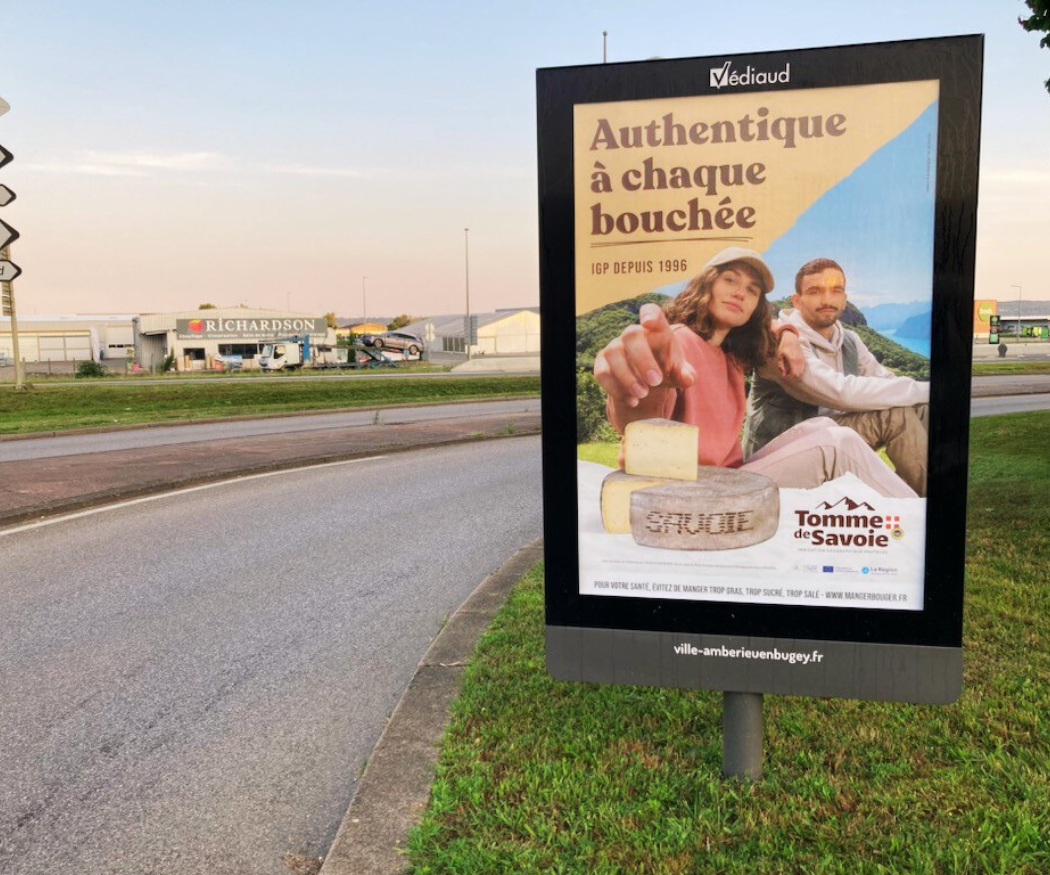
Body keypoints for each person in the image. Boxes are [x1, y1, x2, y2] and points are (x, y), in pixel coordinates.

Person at [594, 247, 917, 498]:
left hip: (734, 473)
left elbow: (774, 324)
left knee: (820, 425)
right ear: (706, 285)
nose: (740, 293)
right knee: (837, 442)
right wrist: (648, 382)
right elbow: (641, 424)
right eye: (730, 280)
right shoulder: (678, 341)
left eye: (752, 290)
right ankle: (916, 518)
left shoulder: (733, 355)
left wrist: (787, 332)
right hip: (700, 487)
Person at [742, 258, 929, 495]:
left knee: (919, 406)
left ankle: (919, 499)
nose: (827, 300)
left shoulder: (850, 340)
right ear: (797, 300)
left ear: (844, 298)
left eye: (836, 291)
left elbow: (884, 381)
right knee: (897, 415)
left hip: (836, 435)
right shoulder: (779, 342)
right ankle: (917, 505)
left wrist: (922, 394)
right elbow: (840, 391)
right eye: (815, 291)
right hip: (782, 450)